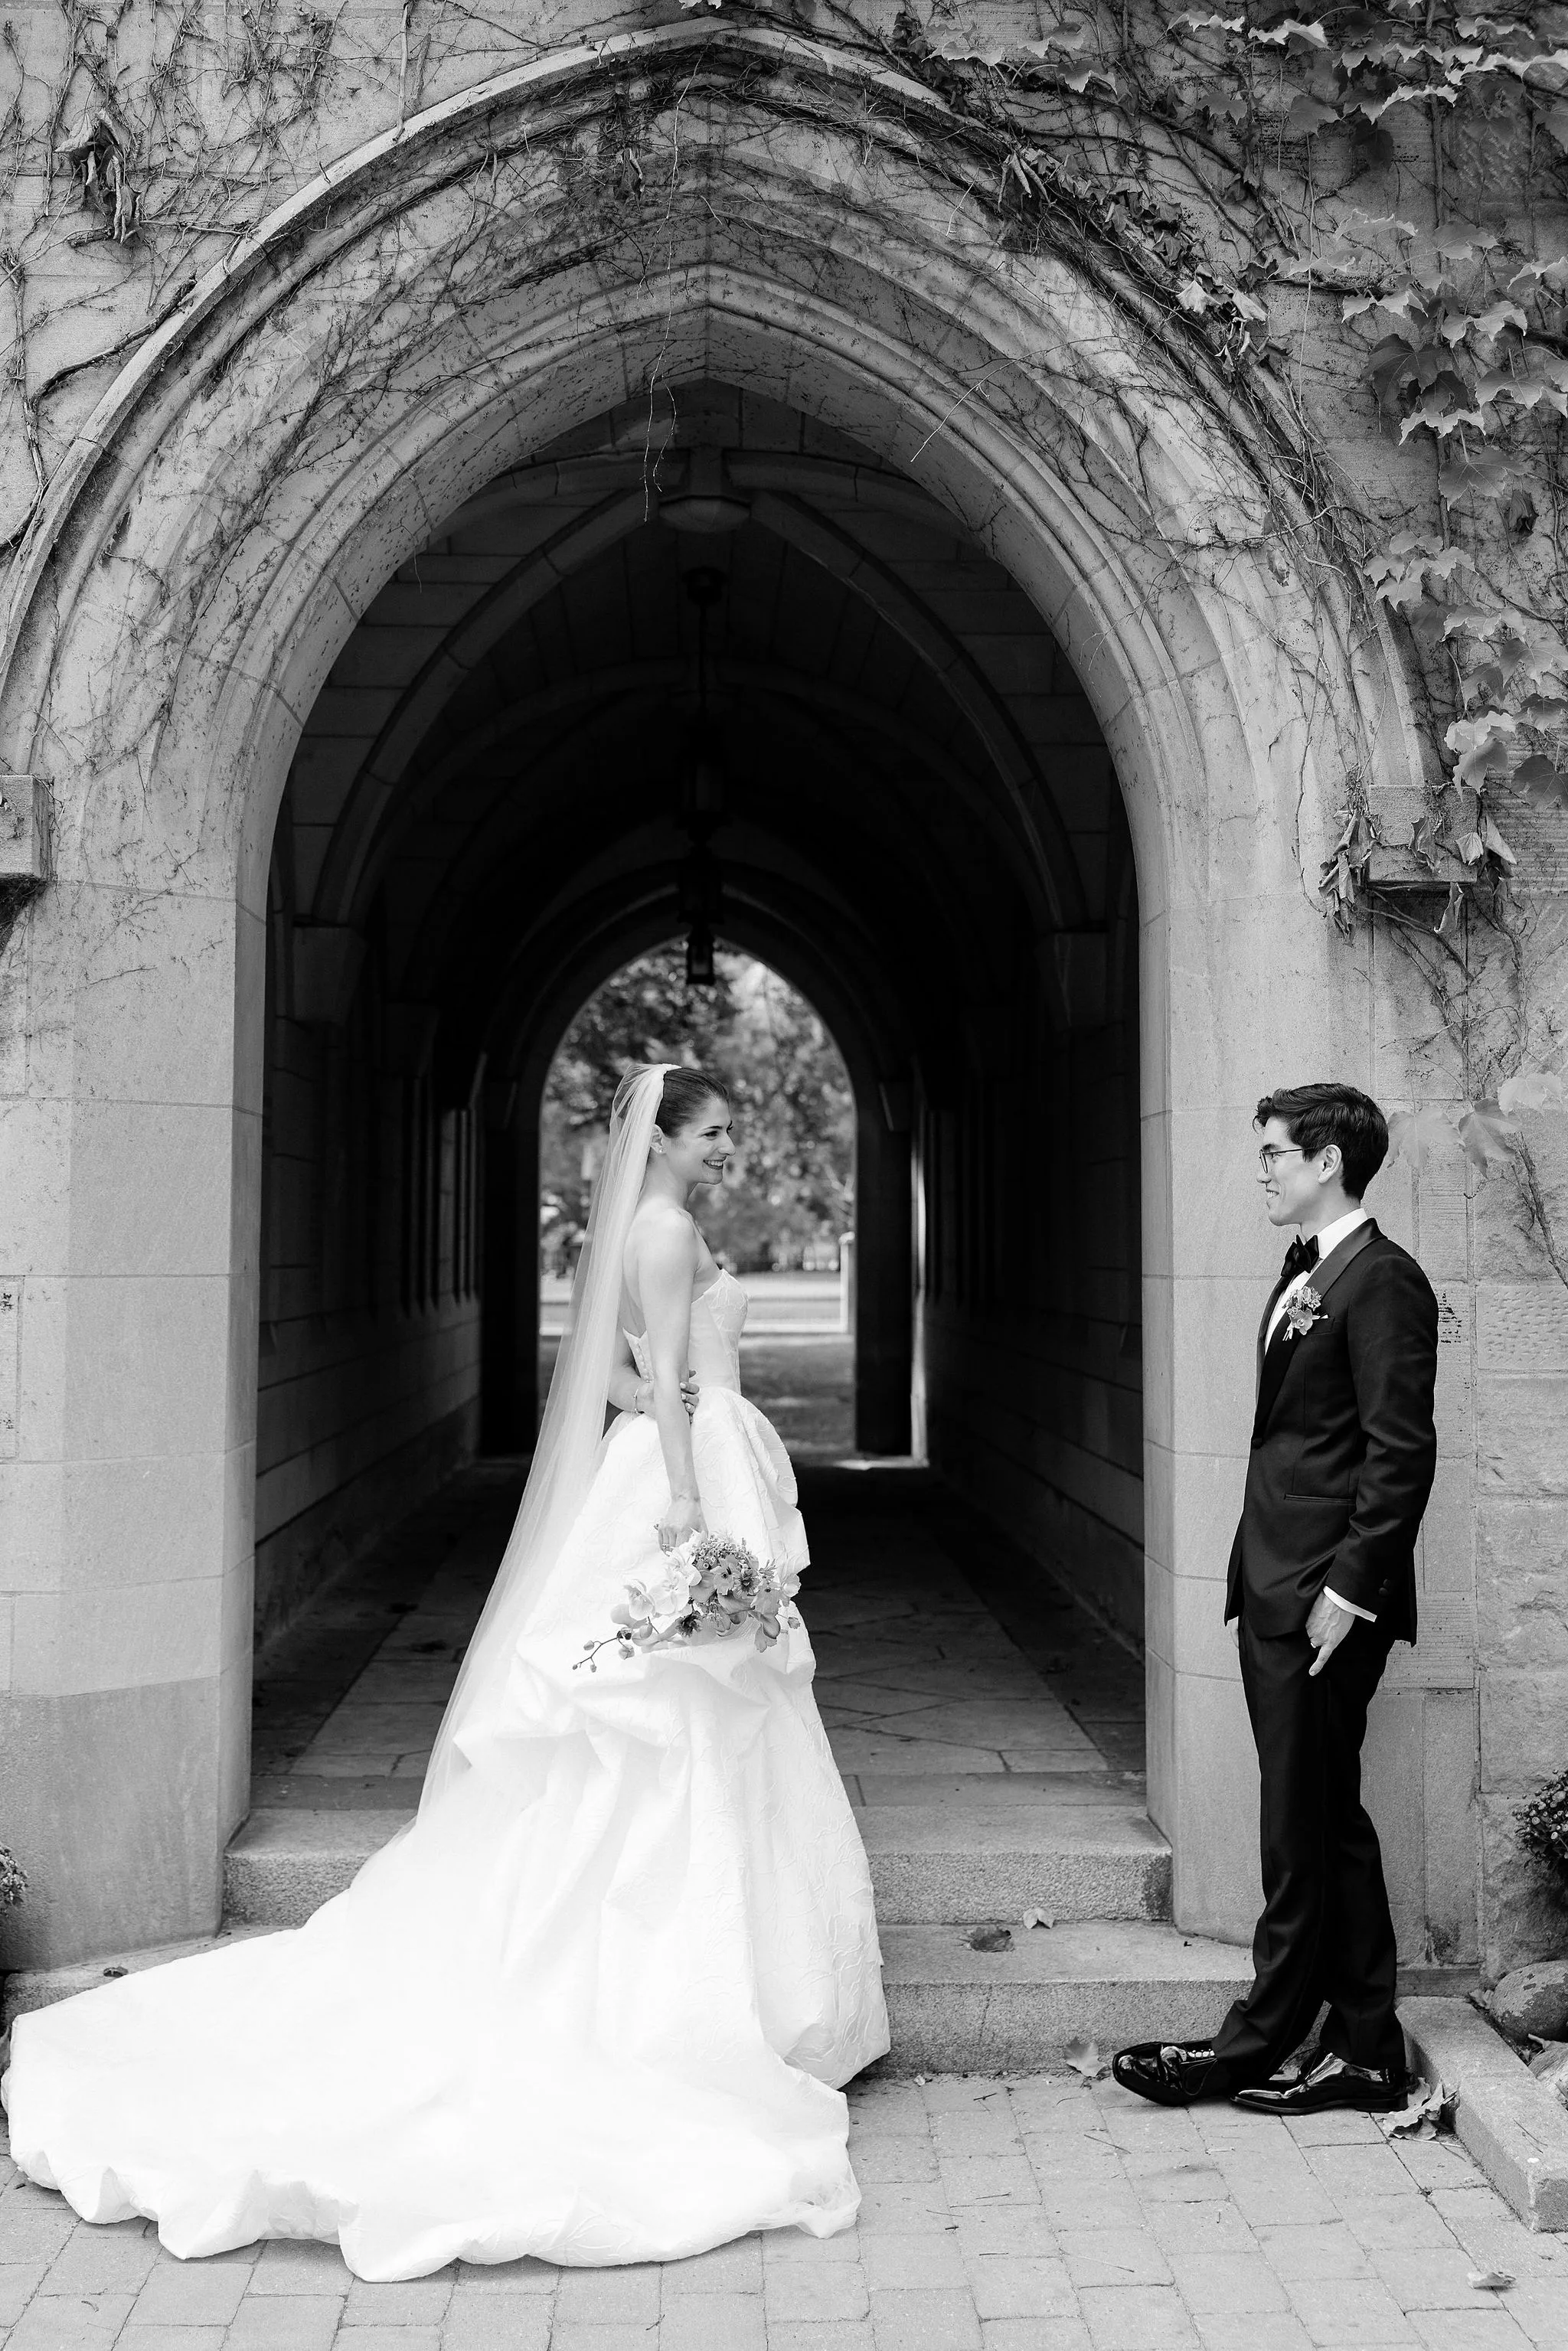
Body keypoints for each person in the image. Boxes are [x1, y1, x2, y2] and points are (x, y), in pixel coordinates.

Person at [3, 1063, 888, 2277]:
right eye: (720, 1130)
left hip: (678, 1460)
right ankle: (688, 1999)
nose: (733, 1146)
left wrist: (674, 1426)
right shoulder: (670, 1228)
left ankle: (711, 1979)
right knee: (680, 1721)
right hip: (683, 1486)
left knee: (683, 1720)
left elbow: (632, 1376)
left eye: (735, 1129)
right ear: (668, 1140)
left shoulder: (651, 1225)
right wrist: (685, 1495)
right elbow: (664, 1384)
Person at [1114, 1081, 1438, 2115]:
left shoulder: (1383, 1280)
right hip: (1276, 1585)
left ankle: (1246, 2048)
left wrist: (1351, 1589)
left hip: (1324, 1602)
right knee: (1322, 1818)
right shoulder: (1307, 1270)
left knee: (1302, 1830)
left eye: (1271, 1152)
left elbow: (1401, 1454)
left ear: (1327, 1159)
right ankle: (1364, 2048)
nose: (1259, 1168)